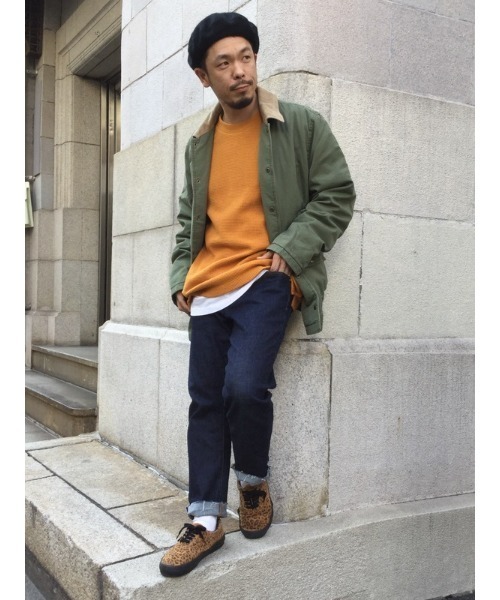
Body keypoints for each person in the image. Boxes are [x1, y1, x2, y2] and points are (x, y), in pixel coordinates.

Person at [159, 12, 356, 577]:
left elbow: (337, 195)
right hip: (207, 288)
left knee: (244, 386)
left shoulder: (300, 125)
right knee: (204, 399)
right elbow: (187, 222)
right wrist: (180, 279)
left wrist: (289, 251)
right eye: (224, 63)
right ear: (204, 76)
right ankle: (204, 519)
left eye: (245, 56)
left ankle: (251, 483)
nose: (240, 71)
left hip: (267, 278)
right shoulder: (200, 145)